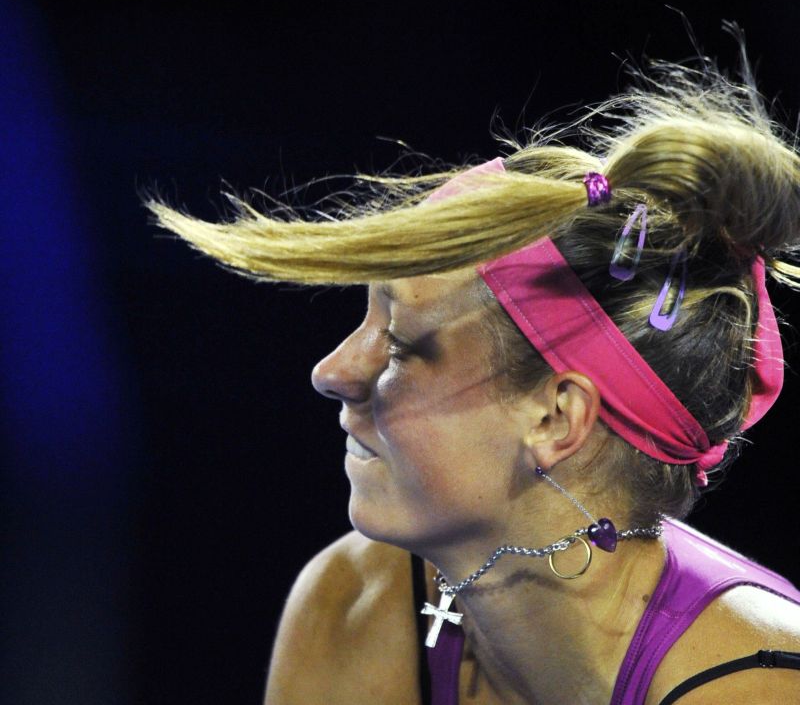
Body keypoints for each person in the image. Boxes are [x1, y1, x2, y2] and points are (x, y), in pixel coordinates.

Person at [147, 51, 800, 704]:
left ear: (555, 417)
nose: (333, 371)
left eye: (399, 344)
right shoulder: (355, 602)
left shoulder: (757, 688)